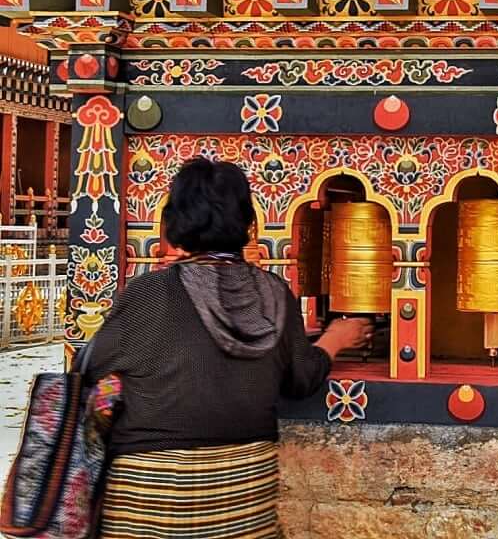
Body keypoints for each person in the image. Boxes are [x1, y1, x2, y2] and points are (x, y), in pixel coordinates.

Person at [79, 158, 371, 539]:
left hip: (148, 493)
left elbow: (89, 366)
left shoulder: (148, 293)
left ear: (174, 223)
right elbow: (300, 380)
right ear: (248, 223)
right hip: (243, 489)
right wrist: (335, 338)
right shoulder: (274, 293)